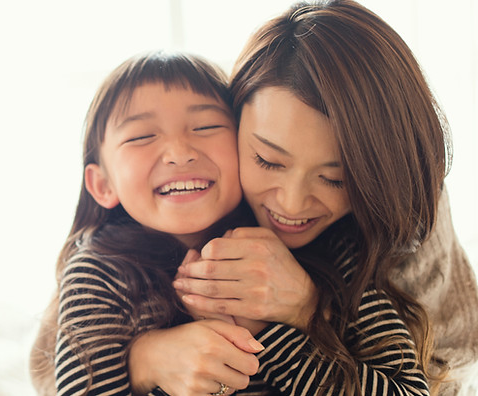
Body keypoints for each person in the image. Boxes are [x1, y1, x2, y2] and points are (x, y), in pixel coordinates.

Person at [32, 1, 478, 395]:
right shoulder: (103, 266)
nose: (292, 203)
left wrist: (297, 315)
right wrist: (146, 359)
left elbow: (432, 378)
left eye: (336, 179)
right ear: (237, 116)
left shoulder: (353, 249)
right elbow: (56, 369)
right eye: (267, 160)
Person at [35, 50, 268, 395]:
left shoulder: (280, 244)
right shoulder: (99, 273)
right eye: (141, 137)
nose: (179, 151)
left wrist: (270, 325)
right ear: (103, 185)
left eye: (206, 127)